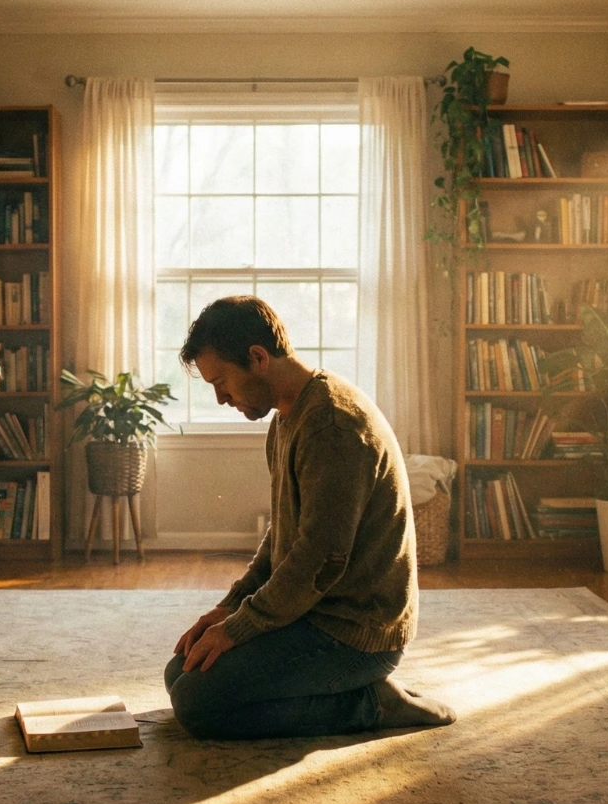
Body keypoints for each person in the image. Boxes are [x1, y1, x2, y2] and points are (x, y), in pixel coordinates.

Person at [164, 296, 455, 739]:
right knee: (180, 672)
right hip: (312, 611)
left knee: (197, 705)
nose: (221, 398)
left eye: (222, 382)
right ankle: (339, 694)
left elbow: (319, 560)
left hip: (356, 632)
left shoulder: (333, 425)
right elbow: (283, 537)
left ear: (258, 358)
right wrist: (229, 607)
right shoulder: (286, 418)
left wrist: (239, 628)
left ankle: (370, 703)